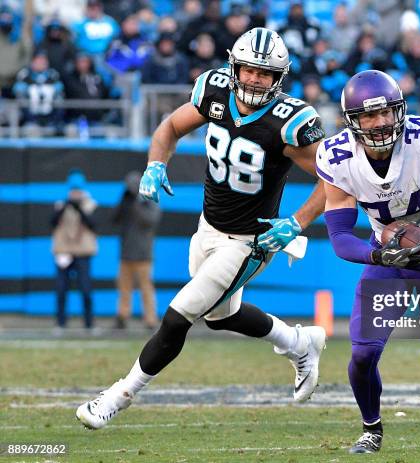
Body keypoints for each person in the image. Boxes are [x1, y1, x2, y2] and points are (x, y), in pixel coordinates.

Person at [76, 27, 327, 430]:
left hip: (251, 241)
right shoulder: (213, 91)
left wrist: (296, 222)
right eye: (248, 70)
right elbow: (170, 128)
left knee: (179, 316)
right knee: (220, 316)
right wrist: (156, 163)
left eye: (264, 74)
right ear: (234, 67)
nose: (253, 80)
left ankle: (118, 396)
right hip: (208, 227)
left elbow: (334, 178)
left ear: (278, 78)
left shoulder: (289, 122)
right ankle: (300, 343)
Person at [316, 70, 420, 453]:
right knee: (363, 353)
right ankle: (371, 428)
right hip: (387, 259)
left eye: (385, 113)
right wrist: (379, 254)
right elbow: (341, 237)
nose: (379, 124)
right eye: (368, 116)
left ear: (399, 111)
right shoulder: (337, 157)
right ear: (351, 121)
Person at [113, 171, 162, 330]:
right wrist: (123, 201)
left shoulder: (149, 200)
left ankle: (150, 320)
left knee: (146, 288)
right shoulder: (126, 201)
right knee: (124, 288)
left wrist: (137, 203)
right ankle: (122, 316)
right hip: (126, 252)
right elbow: (113, 218)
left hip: (143, 254)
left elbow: (150, 221)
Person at [51, 169, 98, 330]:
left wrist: (79, 209)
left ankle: (89, 323)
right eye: (73, 190)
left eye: (78, 190)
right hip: (63, 252)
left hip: (83, 253)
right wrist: (66, 207)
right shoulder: (61, 204)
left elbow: (93, 225)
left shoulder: (90, 204)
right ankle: (60, 322)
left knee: (85, 289)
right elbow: (52, 222)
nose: (75, 194)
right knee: (61, 289)